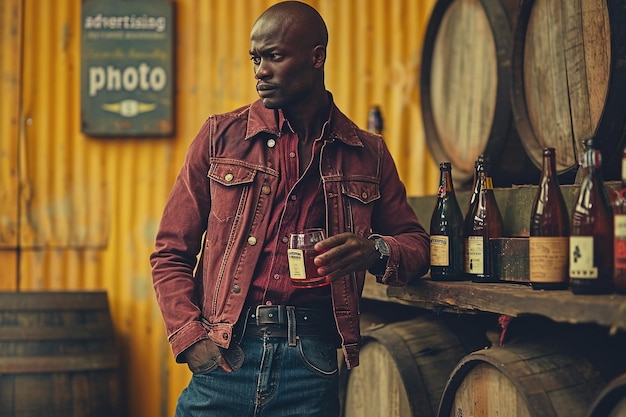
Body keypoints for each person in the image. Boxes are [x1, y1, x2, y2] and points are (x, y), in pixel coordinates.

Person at [150, 1, 430, 416]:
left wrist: (374, 251)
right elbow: (170, 252)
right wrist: (192, 340)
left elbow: (416, 245)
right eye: (255, 58)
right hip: (225, 357)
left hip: (311, 363)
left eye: (274, 56)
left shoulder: (366, 153)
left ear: (317, 57)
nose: (260, 70)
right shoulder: (219, 137)